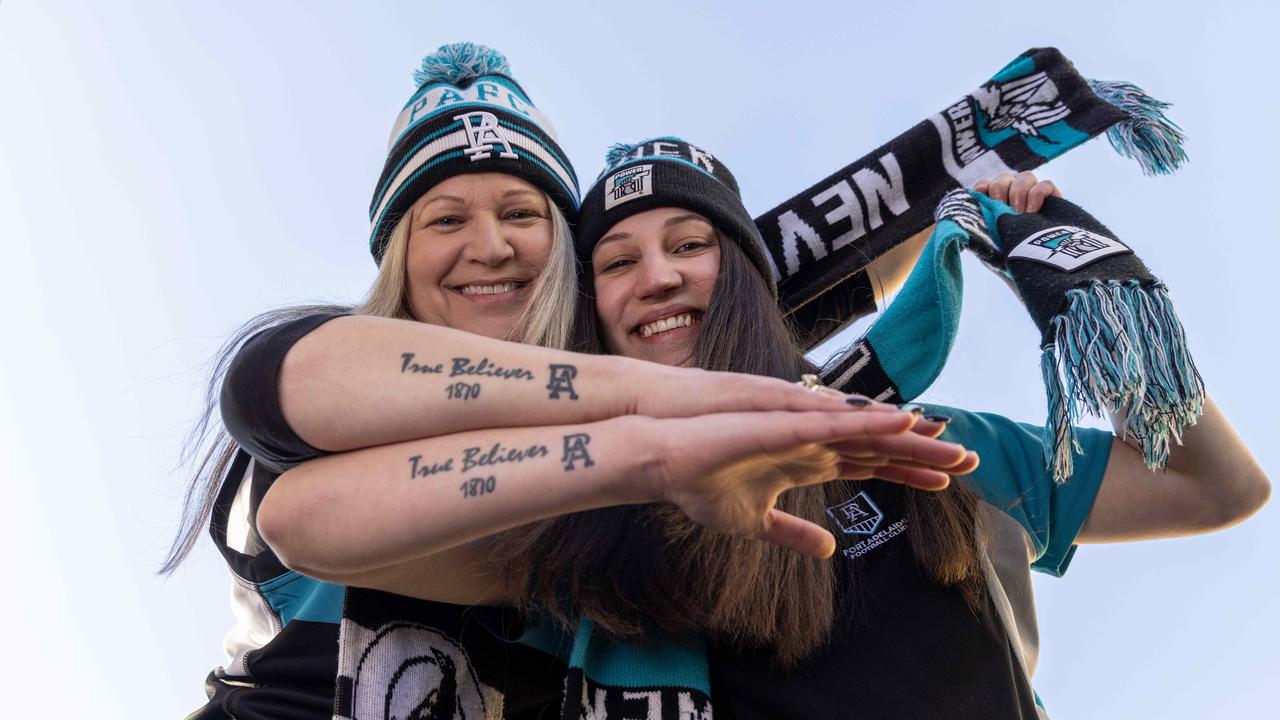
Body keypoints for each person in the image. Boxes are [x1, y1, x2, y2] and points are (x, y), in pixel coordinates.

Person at [267, 137, 1270, 718]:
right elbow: (304, 519)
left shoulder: (920, 442)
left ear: (744, 278)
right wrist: (647, 455)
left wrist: (1091, 284)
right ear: (585, 318)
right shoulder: (583, 504)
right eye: (613, 263)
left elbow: (1213, 487)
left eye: (690, 243)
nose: (656, 275)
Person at [165, 45, 974, 720]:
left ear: (565, 255)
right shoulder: (350, 389)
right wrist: (652, 409)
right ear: (397, 257)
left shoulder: (611, 456)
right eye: (445, 220)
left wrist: (969, 207)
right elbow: (274, 392)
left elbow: (756, 291)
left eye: (522, 214)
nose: (491, 248)